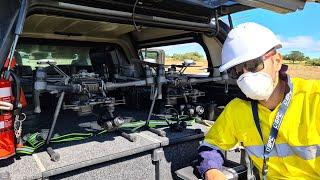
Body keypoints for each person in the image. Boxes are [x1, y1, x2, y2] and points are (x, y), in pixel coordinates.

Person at [197, 22, 320, 180]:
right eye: (236, 71)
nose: (245, 76)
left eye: (253, 65)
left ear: (277, 61)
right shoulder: (237, 110)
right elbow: (211, 145)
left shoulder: (314, 99)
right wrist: (212, 172)